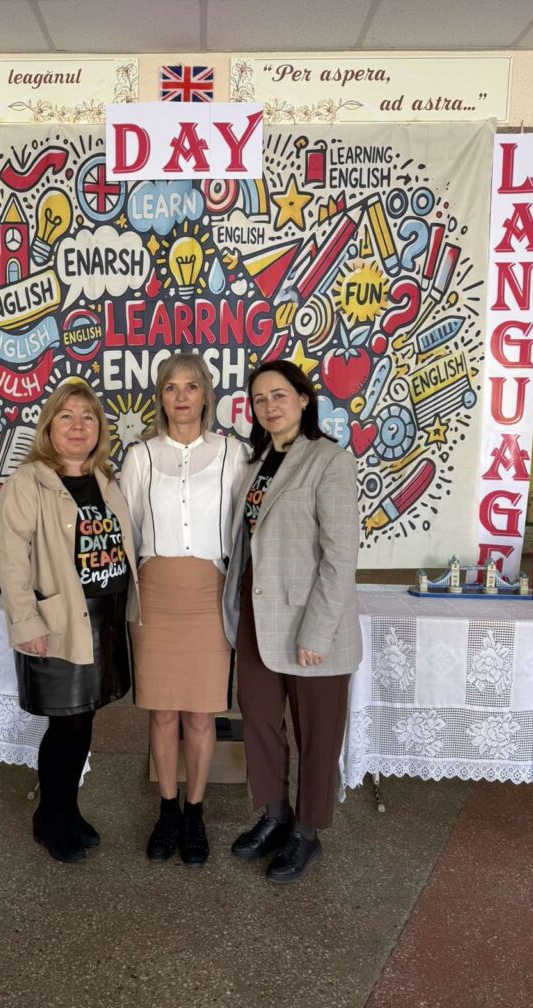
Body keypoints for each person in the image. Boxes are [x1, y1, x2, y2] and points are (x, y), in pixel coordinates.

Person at [222, 360, 361, 885]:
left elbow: (339, 557)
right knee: (259, 721)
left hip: (311, 624)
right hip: (257, 618)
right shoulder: (256, 465)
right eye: (259, 399)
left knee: (318, 733)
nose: (269, 406)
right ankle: (275, 815)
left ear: (304, 399)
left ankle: (307, 831)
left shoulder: (329, 461)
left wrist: (317, 632)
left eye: (279, 395)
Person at [0, 382, 139, 864]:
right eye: (67, 417)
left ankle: (68, 810)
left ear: (99, 429)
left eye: (88, 417)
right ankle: (51, 819)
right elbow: (12, 559)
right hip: (60, 621)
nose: (79, 426)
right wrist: (26, 622)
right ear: (49, 427)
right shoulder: (29, 481)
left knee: (85, 718)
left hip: (105, 620)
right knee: (67, 725)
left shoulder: (105, 478)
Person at [119, 353, 248, 867]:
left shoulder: (232, 452)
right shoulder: (141, 456)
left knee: (200, 712)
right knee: (163, 711)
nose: (181, 397)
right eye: (171, 387)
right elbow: (126, 528)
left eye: (190, 386)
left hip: (209, 592)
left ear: (205, 394)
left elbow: (243, 525)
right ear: (160, 396)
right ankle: (167, 808)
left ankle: (195, 810)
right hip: (155, 592)